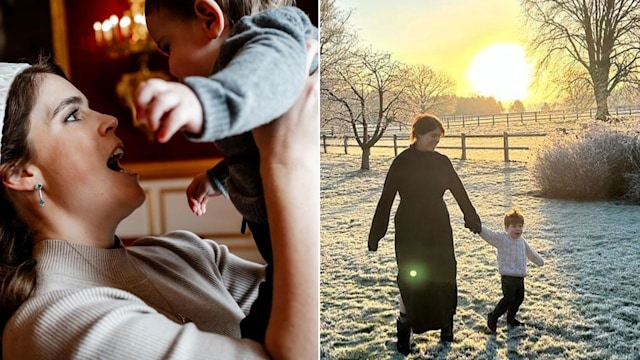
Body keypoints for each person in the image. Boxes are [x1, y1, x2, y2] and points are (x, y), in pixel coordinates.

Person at [0, 57, 318, 359]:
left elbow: (322, 315)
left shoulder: (187, 255)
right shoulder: (55, 323)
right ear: (21, 174)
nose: (110, 120)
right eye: (71, 115)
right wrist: (286, 163)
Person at [133, 0, 318, 344]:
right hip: (280, 241)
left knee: (261, 333)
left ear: (209, 18)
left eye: (168, 46)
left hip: (305, 230)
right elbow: (253, 152)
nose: (169, 65)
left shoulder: (272, 34)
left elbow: (268, 75)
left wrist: (201, 102)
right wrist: (219, 177)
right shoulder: (242, 76)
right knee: (257, 330)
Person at [368, 113, 482, 355]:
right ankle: (404, 330)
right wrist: (377, 232)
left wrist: (471, 217)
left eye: (438, 138)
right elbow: (386, 198)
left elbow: (459, 191)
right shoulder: (402, 162)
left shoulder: (442, 162)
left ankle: (446, 326)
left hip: (438, 226)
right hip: (410, 228)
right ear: (418, 135)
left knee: (444, 274)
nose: (436, 142)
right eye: (432, 136)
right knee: (411, 277)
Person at [478, 208, 544, 334]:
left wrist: (540, 261)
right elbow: (489, 235)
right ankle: (493, 317)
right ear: (506, 228)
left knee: (519, 298)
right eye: (514, 226)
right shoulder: (502, 239)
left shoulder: (522, 241)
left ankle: (510, 318)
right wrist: (478, 227)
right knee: (508, 298)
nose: (518, 229)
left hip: (520, 277)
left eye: (520, 226)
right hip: (507, 277)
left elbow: (531, 253)